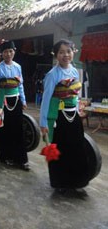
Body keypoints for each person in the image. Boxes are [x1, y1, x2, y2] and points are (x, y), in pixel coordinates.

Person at [40, 39, 89, 194]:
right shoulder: (52, 75)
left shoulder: (75, 71)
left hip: (73, 115)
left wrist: (79, 106)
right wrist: (43, 123)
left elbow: (76, 93)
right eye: (61, 52)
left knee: (76, 148)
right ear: (56, 55)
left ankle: (76, 181)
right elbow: (46, 100)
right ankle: (60, 182)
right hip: (58, 117)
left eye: (68, 51)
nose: (65, 55)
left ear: (73, 52)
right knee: (61, 149)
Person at [0, 40, 29, 170]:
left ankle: (21, 159)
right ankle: (5, 157)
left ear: (14, 51)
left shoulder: (18, 67)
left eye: (10, 51)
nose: (8, 54)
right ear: (1, 54)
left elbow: (20, 85)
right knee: (4, 130)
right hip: (3, 102)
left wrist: (23, 100)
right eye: (5, 52)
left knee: (18, 129)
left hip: (16, 101)